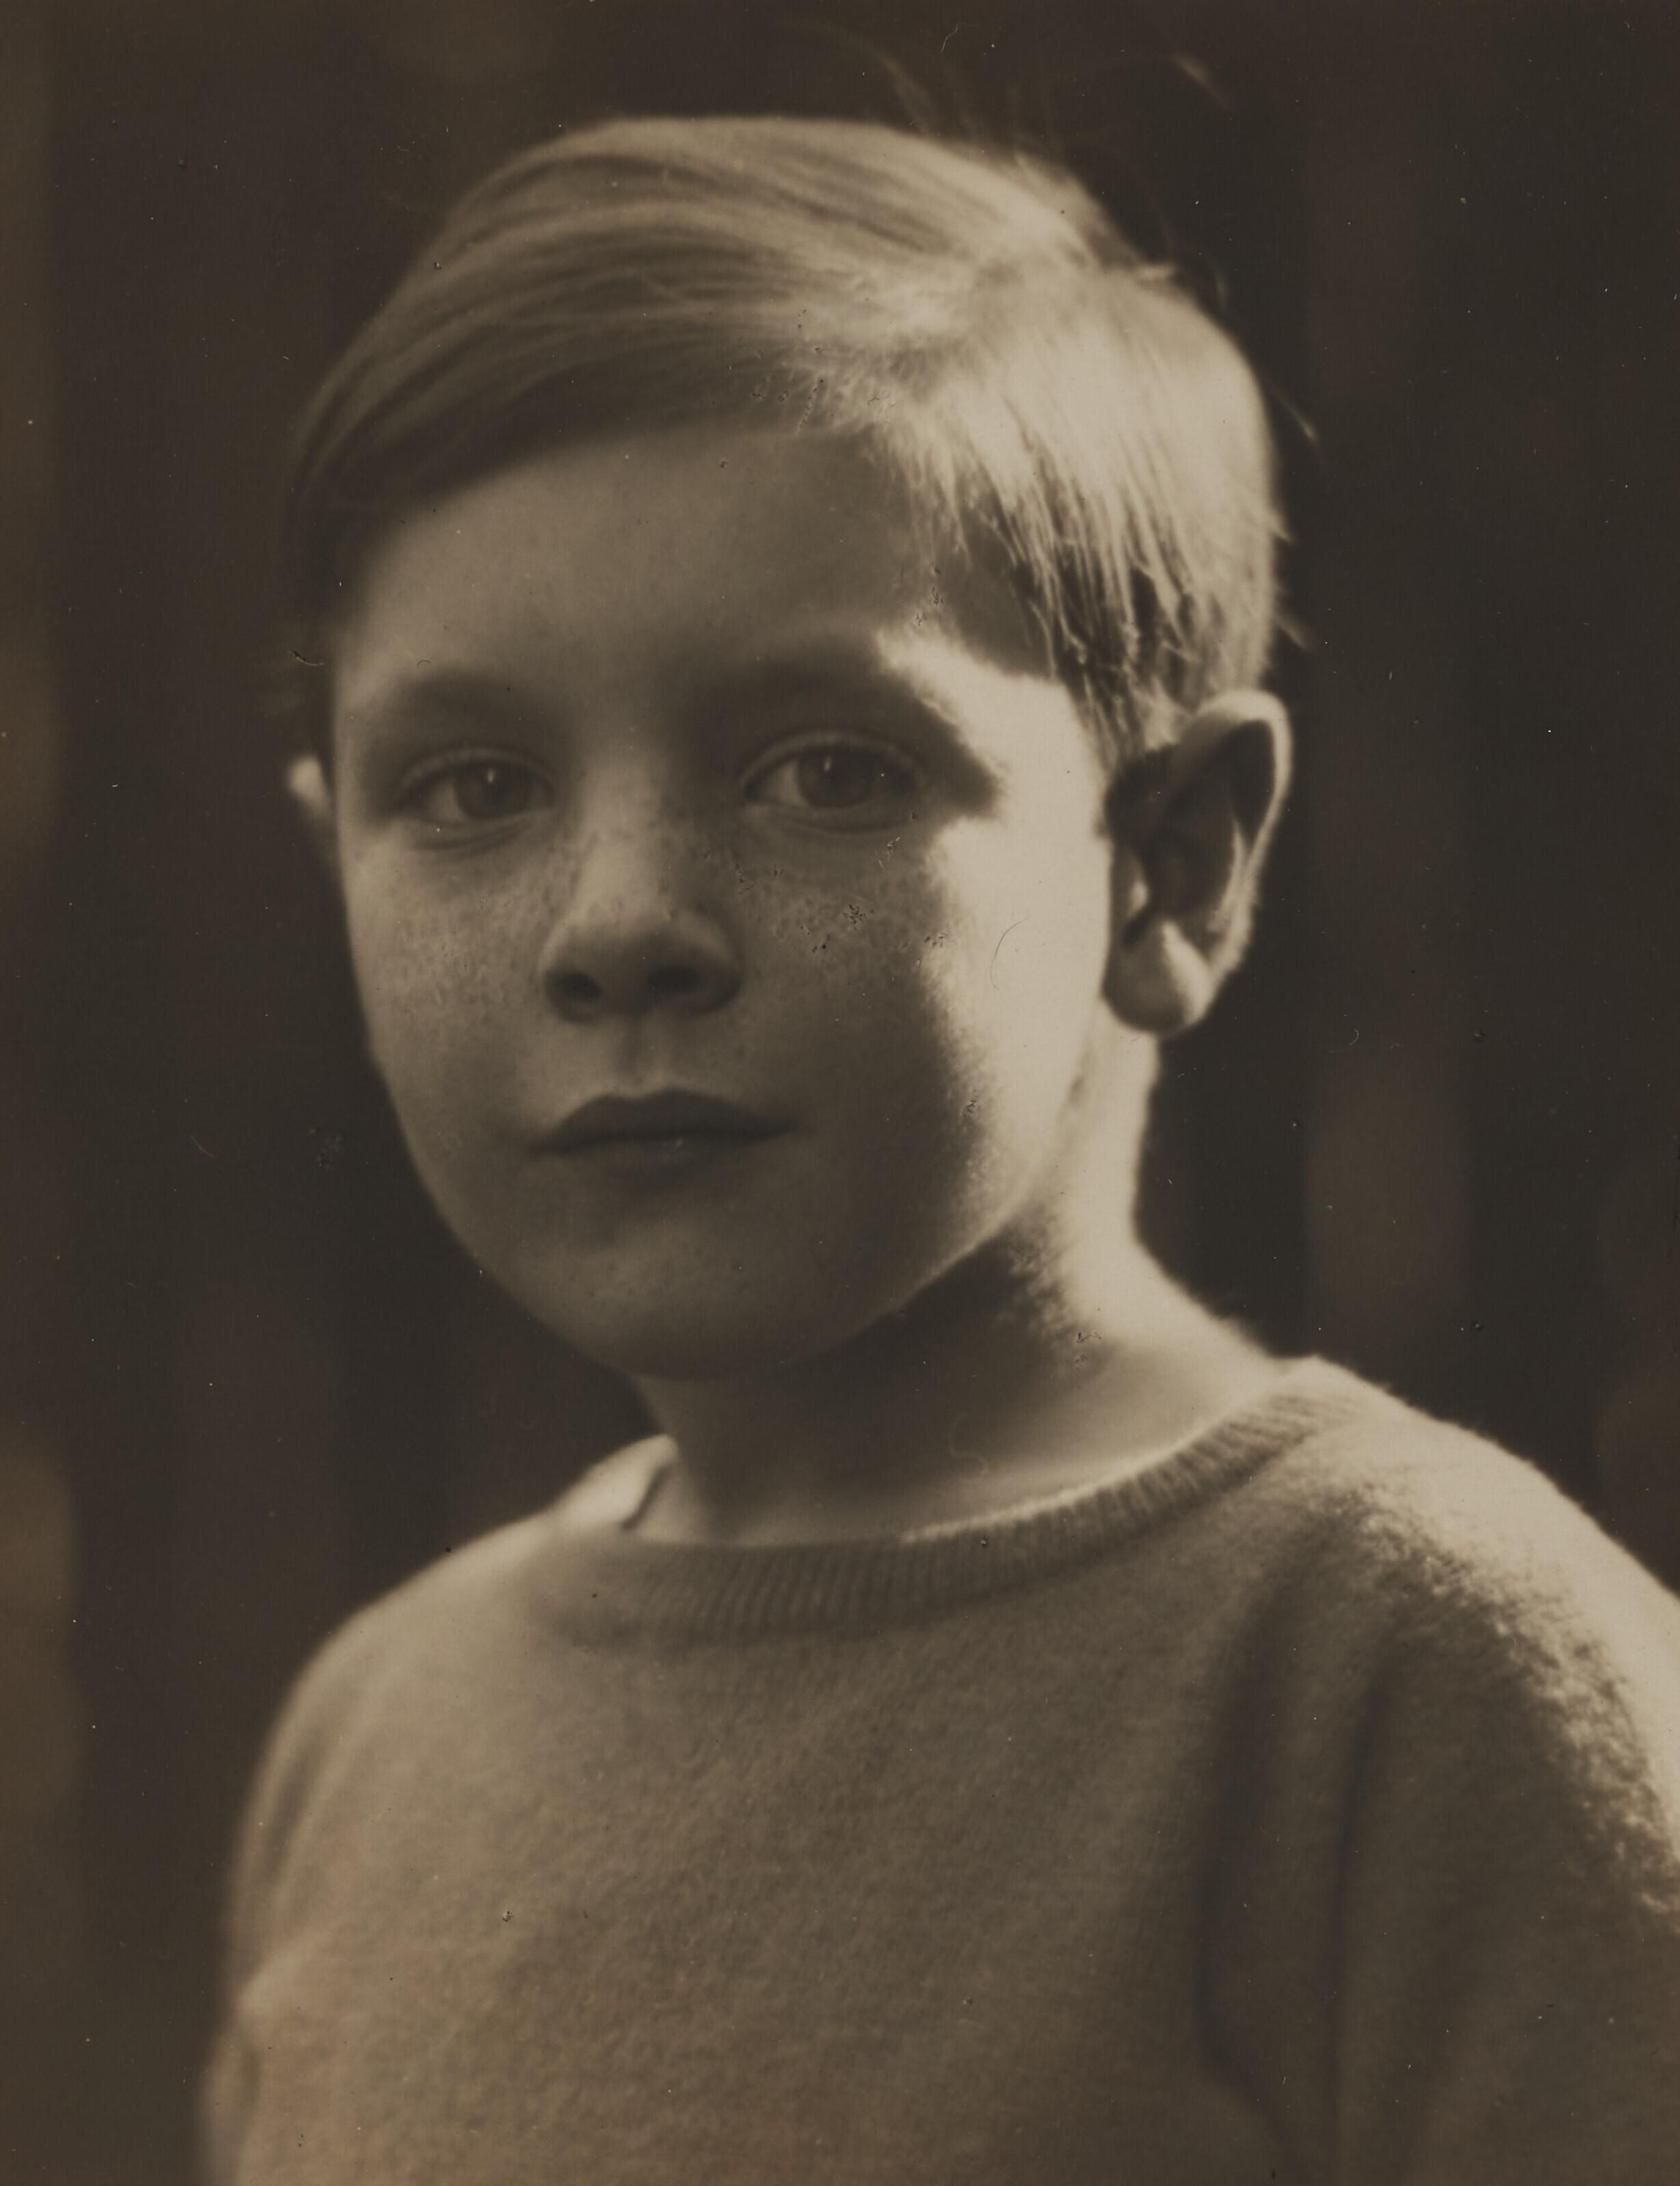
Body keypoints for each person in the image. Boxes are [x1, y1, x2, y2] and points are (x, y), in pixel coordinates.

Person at [201, 115, 1680, 2184]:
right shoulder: (372, 1727)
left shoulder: (1392, 1668)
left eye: (823, 768)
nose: (618, 918)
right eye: (466, 788)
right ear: (328, 862)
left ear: (1169, 863)